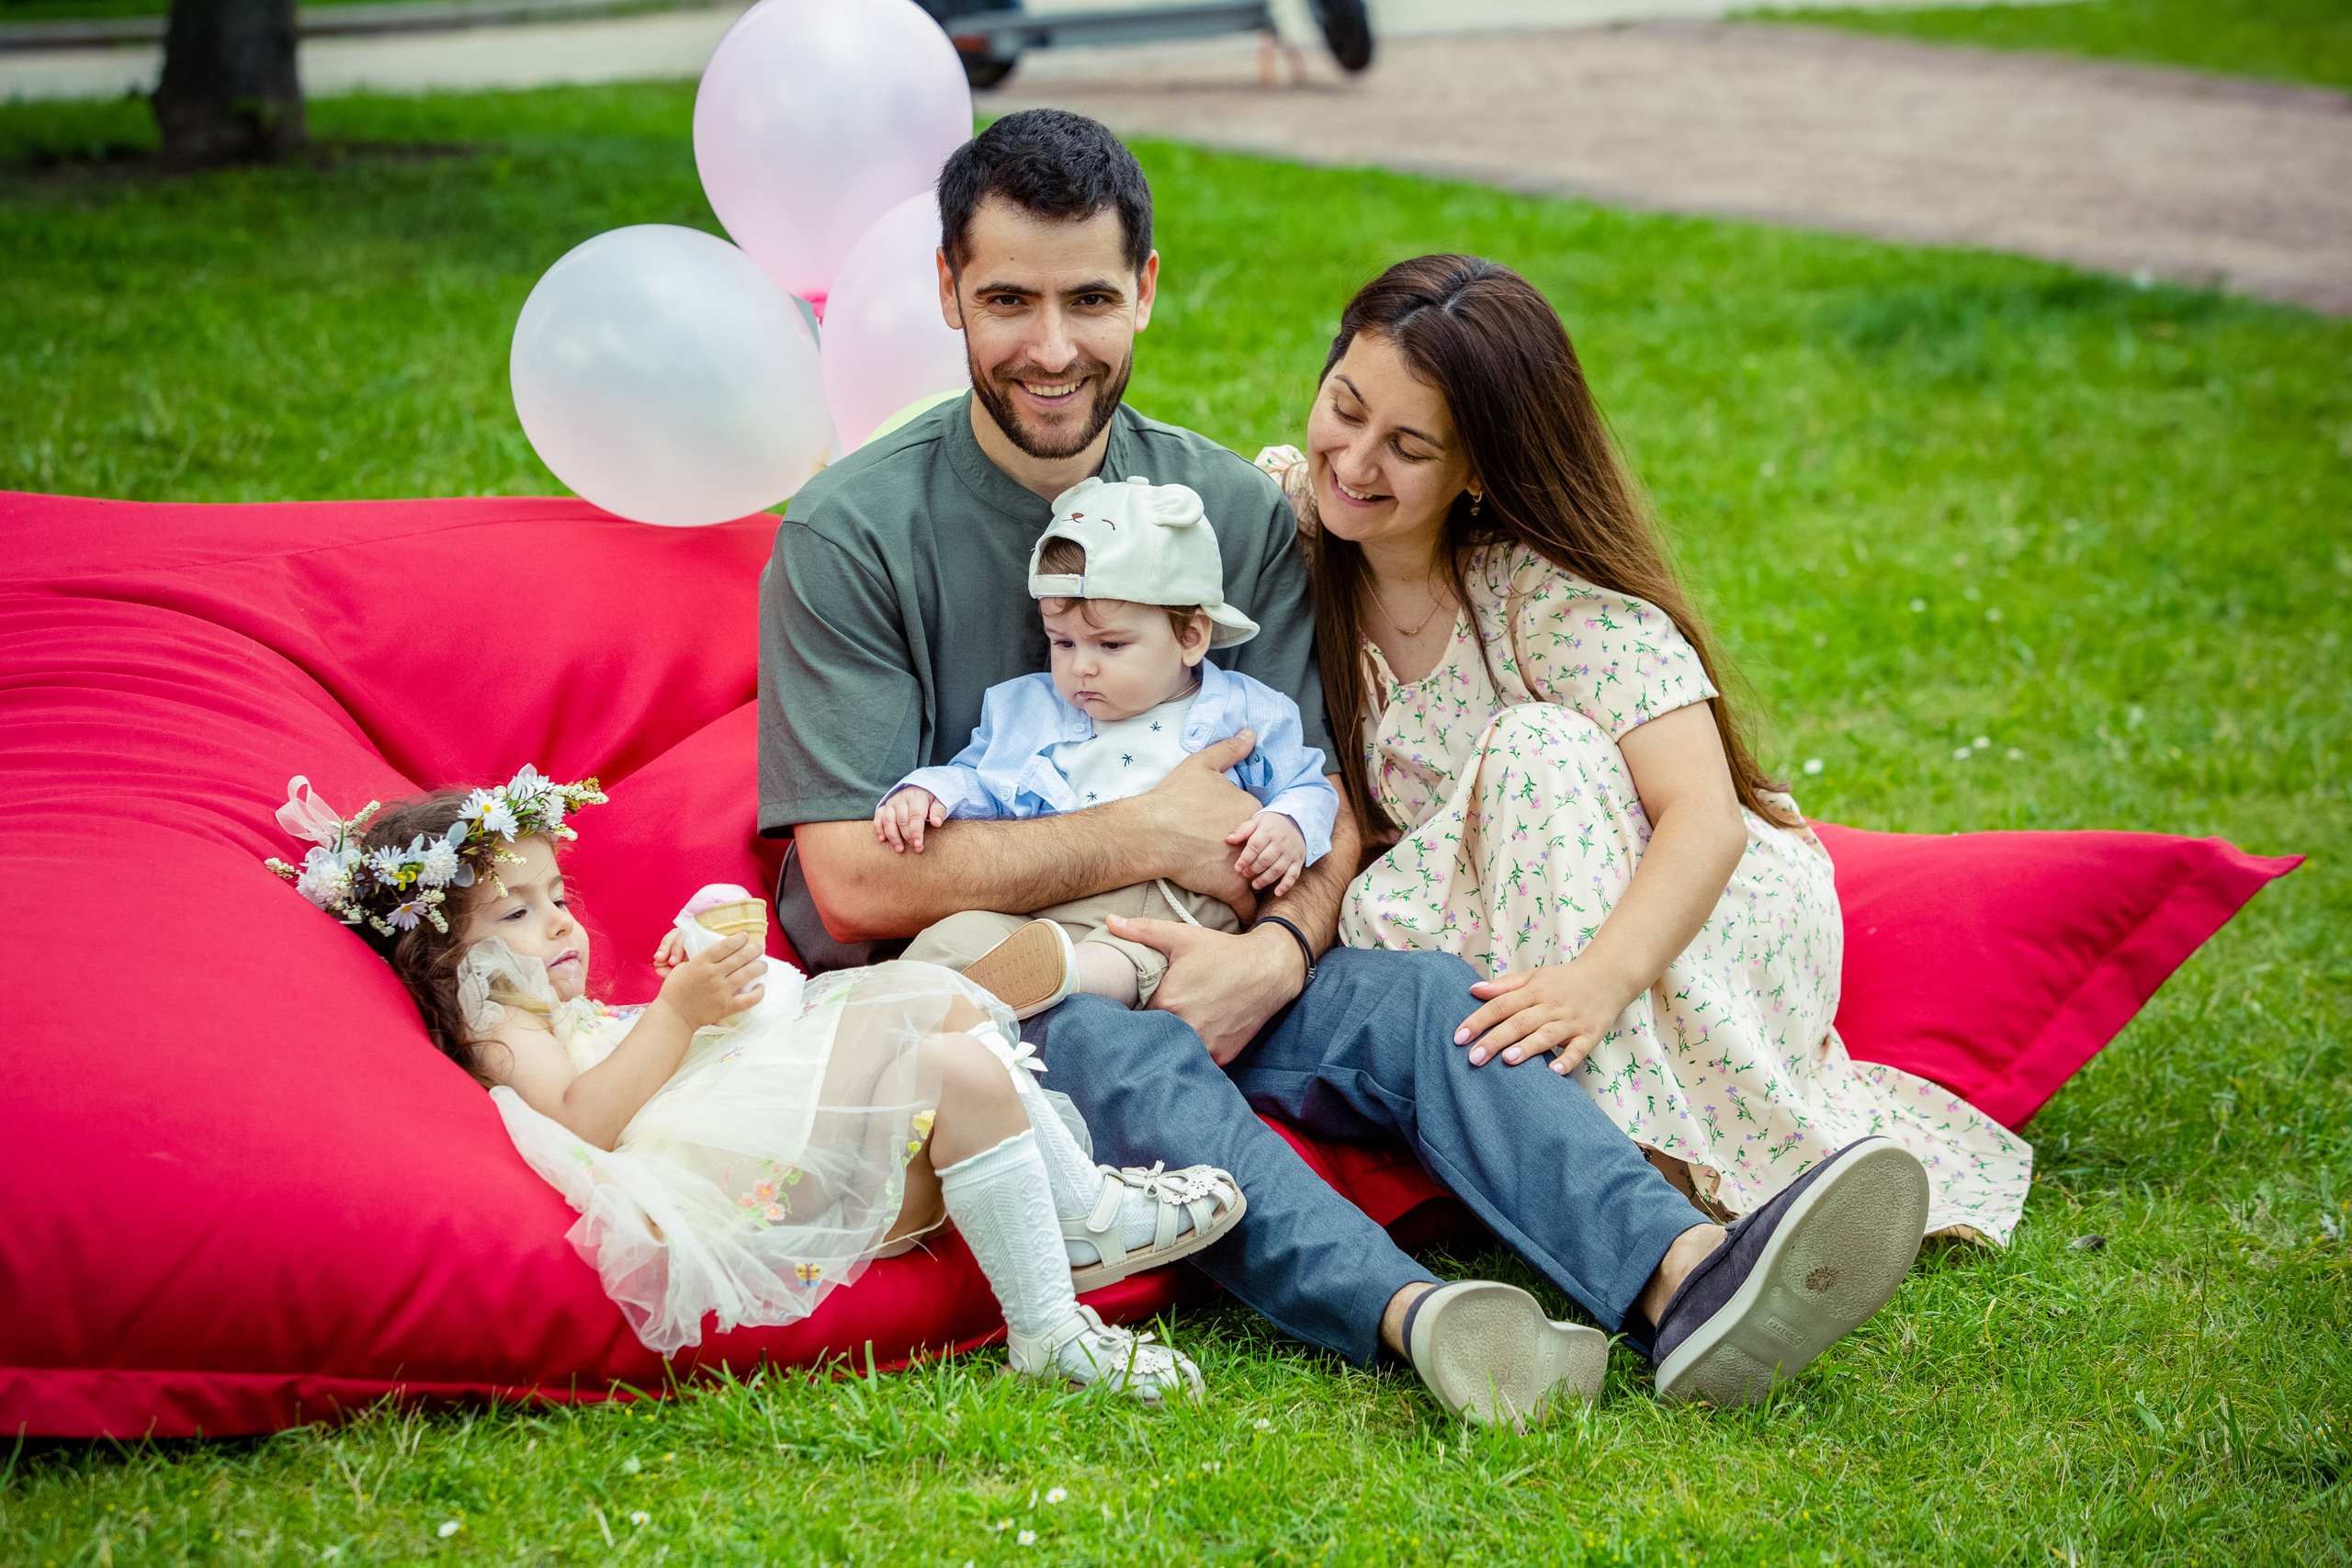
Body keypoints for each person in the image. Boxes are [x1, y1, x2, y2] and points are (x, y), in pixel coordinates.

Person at [760, 107, 1932, 1419]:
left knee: (1431, 999)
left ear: (1146, 290)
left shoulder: (1236, 513)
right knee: (1117, 1048)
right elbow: (855, 883)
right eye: (1008, 299)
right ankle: (1420, 1316)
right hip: (1006, 990)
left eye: (1089, 297)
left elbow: (1324, 802)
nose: (1052, 345)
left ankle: (1693, 1276)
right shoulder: (854, 530)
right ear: (945, 293)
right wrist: (1151, 830)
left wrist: (1278, 951)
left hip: (1221, 941)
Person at [1257, 254, 2032, 1247]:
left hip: (1682, 911)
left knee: (1534, 749)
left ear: (1481, 468)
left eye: (1407, 446)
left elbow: (1703, 820)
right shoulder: (1289, 524)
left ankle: (1655, 1199)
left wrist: (1598, 981)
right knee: (1371, 910)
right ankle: (1631, 1194)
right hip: (1489, 907)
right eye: (1344, 407)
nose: (1354, 463)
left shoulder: (1542, 596)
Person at [261, 765, 1242, 1405]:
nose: (559, 925)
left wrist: (687, 998)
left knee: (956, 1057)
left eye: (557, 898)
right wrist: (677, 1016)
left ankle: (1048, 1326)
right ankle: (1087, 1215)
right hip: (753, 1202)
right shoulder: (498, 1032)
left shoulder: (544, 1012)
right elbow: (584, 1122)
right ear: (442, 953)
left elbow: (647, 1068)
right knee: (909, 1006)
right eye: (517, 913)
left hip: (759, 1156)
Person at [876, 473, 1340, 1018]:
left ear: (1191, 636)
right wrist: (932, 791)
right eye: (1063, 642)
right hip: (1044, 902)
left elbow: (1308, 785)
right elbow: (984, 778)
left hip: (1169, 908)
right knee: (958, 934)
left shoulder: (1246, 713)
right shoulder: (1031, 708)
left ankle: (1054, 981)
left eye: (1111, 644)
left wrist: (1288, 823)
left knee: (1124, 959)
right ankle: (896, 998)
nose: (1081, 666)